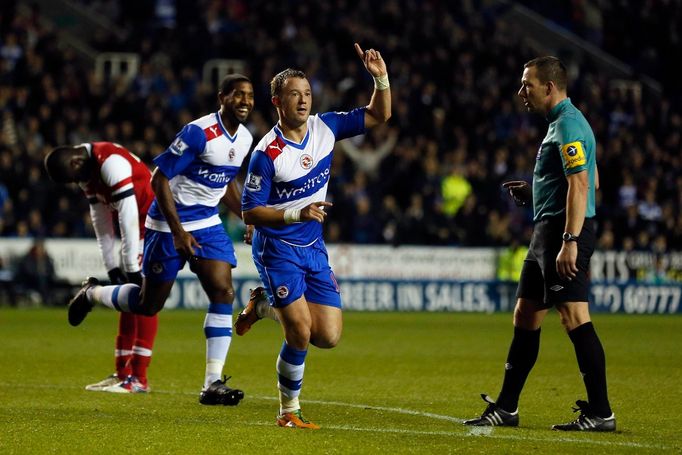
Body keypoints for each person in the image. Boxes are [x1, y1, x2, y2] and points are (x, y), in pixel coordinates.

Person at [66, 74, 255, 405]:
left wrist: (246, 216)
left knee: (223, 291)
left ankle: (212, 383)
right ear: (221, 97)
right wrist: (179, 232)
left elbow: (225, 182)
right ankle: (93, 293)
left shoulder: (245, 139)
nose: (245, 101)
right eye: (237, 94)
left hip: (208, 224)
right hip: (167, 226)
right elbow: (158, 179)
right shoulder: (198, 133)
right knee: (148, 304)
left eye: (250, 96)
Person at [238, 43, 391, 429]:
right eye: (294, 94)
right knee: (301, 333)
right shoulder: (267, 152)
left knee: (329, 335)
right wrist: (295, 212)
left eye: (307, 94)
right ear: (277, 101)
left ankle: (261, 307)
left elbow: (379, 114)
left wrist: (380, 78)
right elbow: (249, 210)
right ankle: (288, 412)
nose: (303, 101)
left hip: (313, 247)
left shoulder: (326, 128)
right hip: (277, 248)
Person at [464, 56, 615, 431]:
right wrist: (538, 194)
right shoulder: (561, 124)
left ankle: (601, 412)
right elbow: (588, 180)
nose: (521, 92)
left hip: (562, 233)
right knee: (525, 315)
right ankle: (507, 407)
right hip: (546, 232)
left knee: (574, 317)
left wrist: (570, 240)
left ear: (549, 87)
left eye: (527, 85)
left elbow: (583, 186)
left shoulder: (568, 125)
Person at [44, 141, 158, 393]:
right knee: (129, 298)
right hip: (137, 232)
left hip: (153, 227)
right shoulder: (87, 170)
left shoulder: (111, 163)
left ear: (75, 163)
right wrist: (111, 266)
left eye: (72, 179)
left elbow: (127, 212)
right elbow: (101, 218)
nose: (77, 183)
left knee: (146, 299)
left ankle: (139, 378)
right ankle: (122, 373)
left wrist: (128, 262)